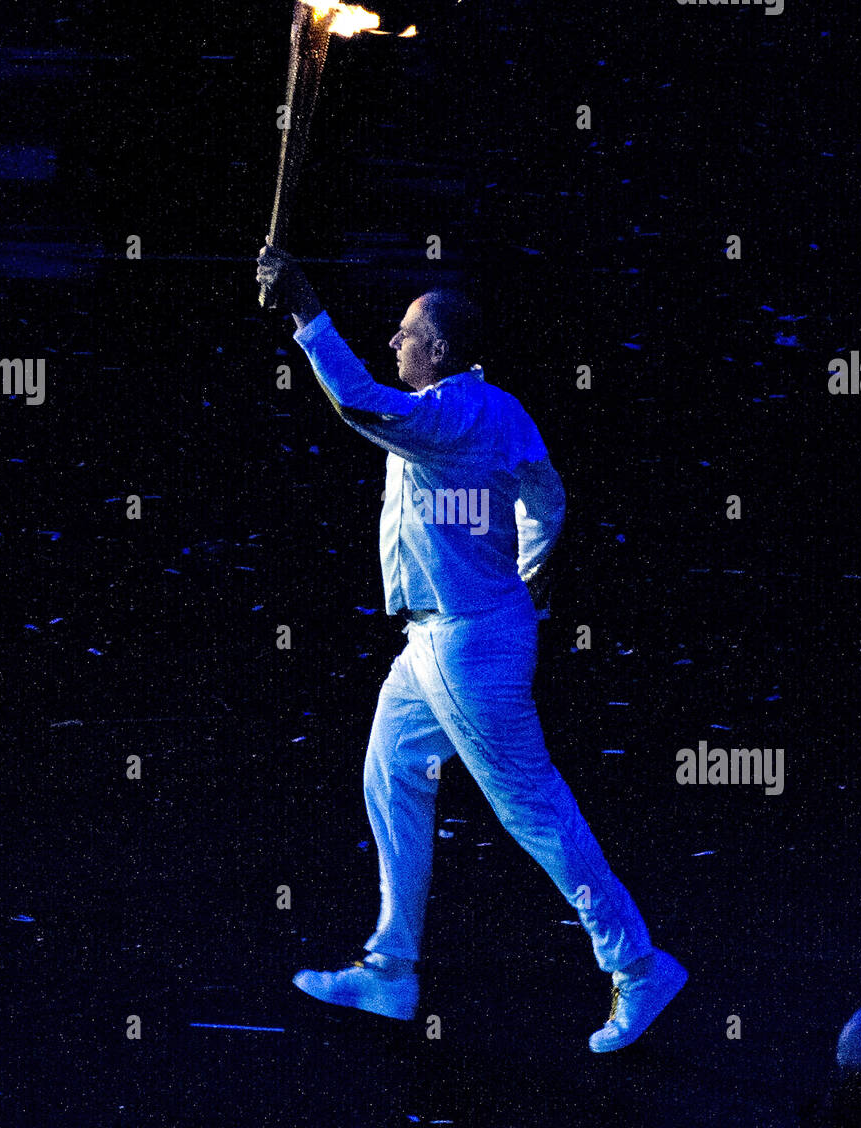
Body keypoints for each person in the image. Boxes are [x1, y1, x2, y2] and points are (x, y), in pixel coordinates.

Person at [257, 243, 687, 1052]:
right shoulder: (502, 410)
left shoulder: (449, 416)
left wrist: (305, 309)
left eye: (406, 335)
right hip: (446, 639)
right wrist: (525, 580)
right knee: (390, 769)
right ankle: (390, 967)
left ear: (442, 349)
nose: (395, 344)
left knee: (533, 808)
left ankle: (637, 964)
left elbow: (358, 404)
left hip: (465, 645)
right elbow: (548, 497)